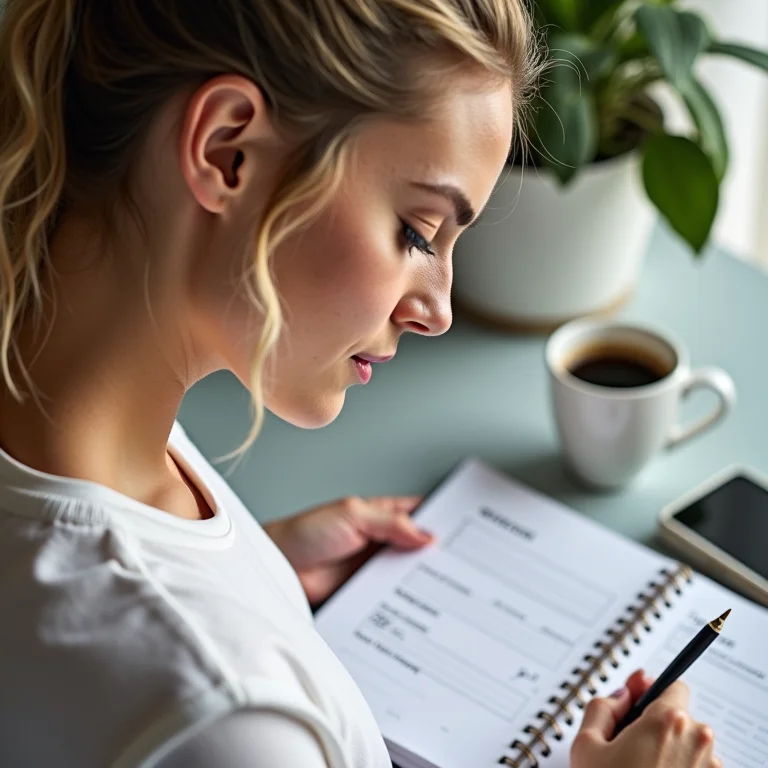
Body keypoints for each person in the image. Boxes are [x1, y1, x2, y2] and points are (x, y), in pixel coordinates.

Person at [0, 1, 720, 767]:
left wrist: (253, 573)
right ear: (225, 150)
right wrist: (211, 632)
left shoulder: (69, 404)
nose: (438, 309)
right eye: (418, 232)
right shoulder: (230, 721)